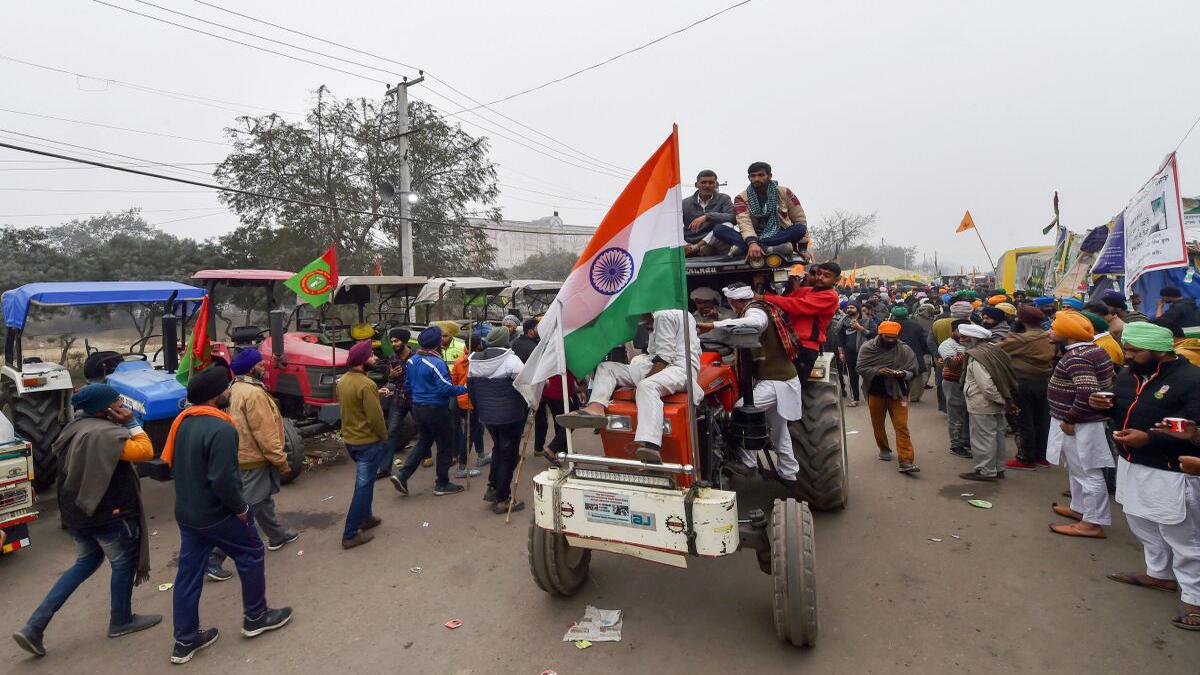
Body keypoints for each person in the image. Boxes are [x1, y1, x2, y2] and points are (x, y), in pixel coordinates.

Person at [12, 385, 159, 657]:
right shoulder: (105, 434)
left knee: (83, 564)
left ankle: (34, 625)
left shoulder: (75, 428)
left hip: (78, 514)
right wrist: (131, 422)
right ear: (106, 409)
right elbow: (145, 451)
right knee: (123, 564)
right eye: (117, 402)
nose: (122, 405)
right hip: (109, 514)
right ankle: (121, 620)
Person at [163, 366, 292, 664]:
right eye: (227, 388)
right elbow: (223, 479)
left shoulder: (182, 421)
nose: (230, 392)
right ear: (215, 394)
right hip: (216, 513)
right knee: (252, 552)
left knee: (188, 575)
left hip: (187, 512)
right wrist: (242, 508)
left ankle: (185, 640)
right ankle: (256, 617)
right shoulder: (221, 428)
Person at [1091, 321, 1200, 630]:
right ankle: (1159, 574)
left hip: (1171, 470)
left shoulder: (1192, 380)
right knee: (1141, 522)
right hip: (1131, 462)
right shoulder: (1129, 376)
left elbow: (1194, 431)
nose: (1126, 355)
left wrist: (1150, 439)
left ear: (1160, 352)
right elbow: (1120, 405)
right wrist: (1102, 406)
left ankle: (1195, 600)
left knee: (1183, 536)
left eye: (1134, 351)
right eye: (1126, 348)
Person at [698, 283, 804, 490]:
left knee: (740, 411)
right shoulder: (759, 308)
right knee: (779, 431)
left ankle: (748, 463)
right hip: (775, 378)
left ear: (733, 302)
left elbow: (754, 323)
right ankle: (789, 474)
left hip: (776, 380)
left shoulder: (756, 311)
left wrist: (713, 326)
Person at [560, 311, 701, 463]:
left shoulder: (663, 315)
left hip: (679, 369)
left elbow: (664, 358)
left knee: (646, 386)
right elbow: (655, 356)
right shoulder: (664, 316)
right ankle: (596, 408)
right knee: (606, 367)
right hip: (656, 364)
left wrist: (640, 384)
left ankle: (651, 444)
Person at [1045, 311, 1115, 538]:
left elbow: (1087, 392)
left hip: (1080, 423)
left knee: (1088, 472)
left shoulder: (1077, 357)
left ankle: (1093, 523)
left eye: (1054, 329)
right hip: (1080, 421)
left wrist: (1070, 419)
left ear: (1068, 334)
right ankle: (1079, 508)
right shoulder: (1091, 350)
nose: (1050, 331)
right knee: (1076, 469)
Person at [225, 350, 298, 551]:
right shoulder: (254, 394)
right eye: (260, 364)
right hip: (254, 458)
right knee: (248, 508)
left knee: (262, 500)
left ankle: (277, 536)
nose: (264, 367)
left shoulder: (235, 388)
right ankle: (215, 556)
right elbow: (265, 433)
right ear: (251, 368)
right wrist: (281, 461)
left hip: (242, 455)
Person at [391, 326, 469, 496]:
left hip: (418, 407)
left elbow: (408, 385)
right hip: (435, 409)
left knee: (424, 441)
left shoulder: (412, 360)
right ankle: (442, 483)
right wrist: (465, 388)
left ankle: (403, 475)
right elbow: (445, 388)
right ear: (436, 344)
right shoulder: (436, 363)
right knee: (444, 445)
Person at [469, 326, 529, 514]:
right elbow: (525, 386)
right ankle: (503, 498)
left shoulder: (474, 361)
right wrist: (528, 404)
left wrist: (481, 410)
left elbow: (471, 390)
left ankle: (493, 487)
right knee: (508, 455)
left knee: (498, 449)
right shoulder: (512, 360)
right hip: (510, 416)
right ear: (506, 340)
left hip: (488, 416)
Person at [335, 340, 389, 548]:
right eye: (372, 355)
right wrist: (384, 437)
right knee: (363, 488)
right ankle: (350, 534)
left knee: (365, 484)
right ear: (362, 361)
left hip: (351, 440)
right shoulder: (367, 384)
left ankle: (366, 519)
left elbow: (353, 406)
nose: (375, 358)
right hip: (367, 442)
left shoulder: (344, 381)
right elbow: (376, 418)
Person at [711, 162, 810, 263]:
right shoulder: (741, 198)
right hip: (752, 236)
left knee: (800, 228)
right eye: (753, 176)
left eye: (761, 175)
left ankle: (746, 248)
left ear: (769, 176)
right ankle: (767, 249)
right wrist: (752, 243)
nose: (757, 179)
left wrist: (802, 248)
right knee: (719, 229)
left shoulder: (785, 192)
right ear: (749, 178)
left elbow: (799, 218)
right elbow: (744, 223)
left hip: (779, 235)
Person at [759, 261, 841, 380]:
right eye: (819, 273)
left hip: (806, 347)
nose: (820, 277)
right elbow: (784, 301)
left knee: (793, 386)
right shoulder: (805, 291)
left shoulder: (831, 296)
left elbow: (796, 305)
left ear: (836, 280)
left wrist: (763, 297)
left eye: (826, 276)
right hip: (788, 342)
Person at [858, 320, 920, 473]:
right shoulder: (867, 348)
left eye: (894, 337)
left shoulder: (904, 349)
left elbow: (913, 369)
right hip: (875, 392)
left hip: (898, 393)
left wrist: (902, 374)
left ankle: (906, 460)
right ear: (880, 335)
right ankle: (884, 448)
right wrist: (878, 371)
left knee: (901, 425)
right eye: (887, 337)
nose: (891, 340)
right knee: (877, 424)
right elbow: (860, 368)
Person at [958, 324, 1018, 481]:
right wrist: (1005, 401)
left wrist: (1001, 401)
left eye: (964, 338)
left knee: (983, 439)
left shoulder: (977, 357)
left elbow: (987, 387)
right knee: (997, 437)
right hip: (997, 403)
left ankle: (985, 471)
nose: (961, 340)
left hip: (982, 404)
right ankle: (998, 469)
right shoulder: (993, 350)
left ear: (973, 339)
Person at [999, 306, 1055, 469]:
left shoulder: (1021, 340)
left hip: (1023, 383)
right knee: (1042, 420)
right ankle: (1041, 456)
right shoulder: (1048, 337)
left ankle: (1026, 458)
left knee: (1023, 420)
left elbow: (996, 349)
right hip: (1044, 381)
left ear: (1022, 320)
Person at [450, 336, 486, 479]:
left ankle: (481, 454)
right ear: (478, 345)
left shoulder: (459, 361)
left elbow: (453, 381)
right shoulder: (480, 361)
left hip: (461, 399)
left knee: (477, 427)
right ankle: (462, 467)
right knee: (469, 433)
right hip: (473, 401)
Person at [682, 169, 736, 257]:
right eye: (703, 182)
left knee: (728, 225)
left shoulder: (724, 199)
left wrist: (707, 217)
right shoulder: (684, 203)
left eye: (711, 182)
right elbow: (674, 226)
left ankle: (696, 248)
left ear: (716, 184)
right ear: (696, 185)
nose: (707, 185)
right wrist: (684, 244)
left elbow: (733, 218)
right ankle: (690, 249)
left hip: (713, 241)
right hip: (689, 242)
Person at [384, 328, 415, 473]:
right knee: (391, 432)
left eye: (396, 341)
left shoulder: (416, 357)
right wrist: (391, 375)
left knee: (424, 428)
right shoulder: (393, 359)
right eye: (392, 341)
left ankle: (426, 456)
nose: (393, 344)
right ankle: (385, 468)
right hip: (399, 400)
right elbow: (391, 380)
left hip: (415, 399)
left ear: (404, 341)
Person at [939, 320, 972, 459]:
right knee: (956, 414)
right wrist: (970, 353)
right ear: (954, 331)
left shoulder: (968, 344)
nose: (964, 335)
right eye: (961, 332)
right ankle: (956, 445)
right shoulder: (947, 345)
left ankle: (965, 440)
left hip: (968, 382)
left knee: (967, 413)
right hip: (953, 382)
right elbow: (951, 363)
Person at [887, 306, 931, 403]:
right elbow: (923, 341)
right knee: (916, 374)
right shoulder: (916, 325)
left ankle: (897, 394)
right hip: (914, 353)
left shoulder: (889, 326)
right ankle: (915, 396)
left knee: (895, 372)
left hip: (895, 353)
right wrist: (925, 351)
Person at [838, 303, 876, 407]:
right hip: (849, 353)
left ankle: (870, 397)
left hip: (864, 353)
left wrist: (860, 328)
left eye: (852, 307)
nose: (849, 309)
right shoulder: (844, 322)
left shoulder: (867, 320)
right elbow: (840, 339)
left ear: (858, 309)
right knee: (852, 377)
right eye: (848, 308)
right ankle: (855, 399)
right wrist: (841, 352)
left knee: (867, 376)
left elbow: (874, 335)